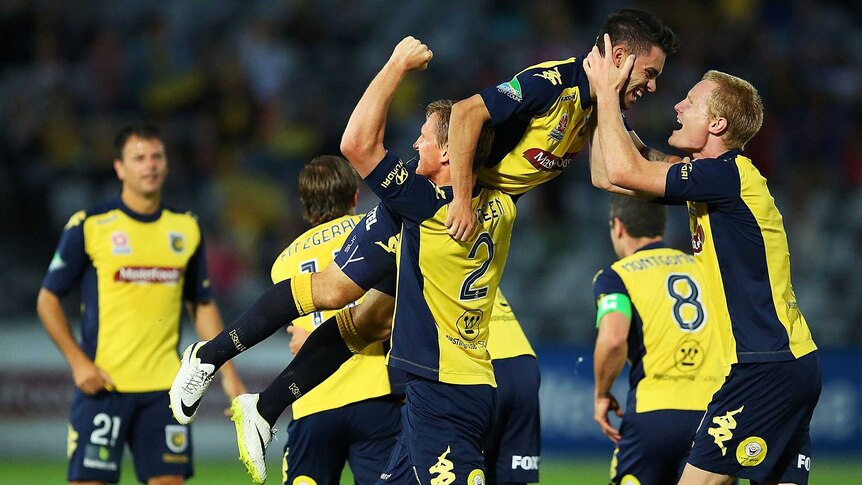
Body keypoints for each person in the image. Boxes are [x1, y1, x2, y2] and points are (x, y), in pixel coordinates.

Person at [584, 34, 821, 485]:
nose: (676, 106)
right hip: (787, 363)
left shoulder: (725, 175)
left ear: (716, 124)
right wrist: (601, 103)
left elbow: (621, 169)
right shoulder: (717, 181)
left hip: (763, 366)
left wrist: (610, 93)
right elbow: (607, 173)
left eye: (689, 102)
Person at [338, 36, 516, 484]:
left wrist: (396, 64)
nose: (416, 143)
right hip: (466, 378)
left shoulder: (429, 204)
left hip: (443, 387)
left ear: (451, 152)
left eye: (425, 137)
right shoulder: (504, 203)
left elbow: (357, 144)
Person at [36, 124, 246, 485]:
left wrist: (228, 374)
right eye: (139, 158)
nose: (150, 165)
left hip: (165, 392)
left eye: (157, 156)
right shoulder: (91, 225)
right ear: (119, 167)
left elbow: (202, 305)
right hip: (104, 386)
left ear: (166, 164)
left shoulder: (186, 228)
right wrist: (78, 363)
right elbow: (47, 299)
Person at [446, 8, 680, 242]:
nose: (652, 87)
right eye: (649, 73)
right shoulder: (551, 84)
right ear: (618, 57)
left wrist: (676, 166)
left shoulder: (602, 101)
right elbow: (464, 112)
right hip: (454, 201)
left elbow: (633, 155)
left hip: (493, 210)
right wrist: (461, 200)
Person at [270, 155, 402, 485]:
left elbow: (298, 333)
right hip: (375, 392)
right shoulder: (375, 231)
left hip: (314, 398)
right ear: (355, 195)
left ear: (304, 203)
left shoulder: (282, 263)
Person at [592, 195, 727, 485]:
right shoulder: (704, 268)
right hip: (714, 415)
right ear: (661, 228)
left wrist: (602, 393)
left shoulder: (616, 276)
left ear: (618, 226)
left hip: (654, 413)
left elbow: (613, 339)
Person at [485, 292, 542, 485]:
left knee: (452, 469)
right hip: (523, 359)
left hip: (480, 363)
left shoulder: (416, 264)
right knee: (510, 478)